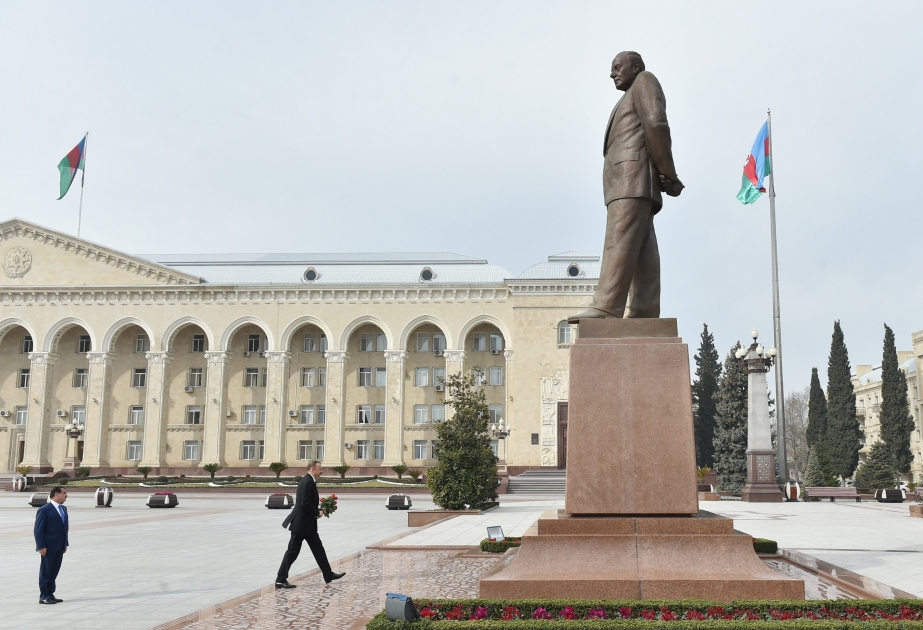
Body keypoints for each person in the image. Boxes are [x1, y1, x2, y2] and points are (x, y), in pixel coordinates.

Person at [569, 51, 683, 323]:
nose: (612, 73)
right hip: (632, 182)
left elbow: (656, 124)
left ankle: (606, 307)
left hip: (631, 180)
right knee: (643, 250)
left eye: (617, 67)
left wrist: (668, 172)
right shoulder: (629, 95)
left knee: (618, 241)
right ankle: (644, 311)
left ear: (636, 66)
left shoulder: (644, 80)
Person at [275, 460, 345, 588]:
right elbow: (305, 504)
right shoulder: (307, 481)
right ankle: (280, 579)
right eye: (320, 469)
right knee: (292, 552)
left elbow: (307, 503)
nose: (322, 471)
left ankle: (328, 574)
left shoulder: (308, 481)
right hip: (301, 524)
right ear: (313, 469)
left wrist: (317, 510)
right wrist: (317, 512)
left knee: (318, 549)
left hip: (308, 524)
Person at [34, 486, 69, 605]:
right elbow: (38, 529)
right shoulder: (45, 509)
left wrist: (65, 544)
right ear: (56, 494)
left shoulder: (63, 509)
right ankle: (44, 595)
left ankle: (50, 594)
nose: (66, 495)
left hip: (59, 546)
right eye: (64, 493)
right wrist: (41, 546)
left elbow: (64, 528)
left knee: (54, 571)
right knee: (46, 571)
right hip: (48, 547)